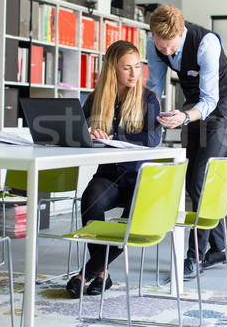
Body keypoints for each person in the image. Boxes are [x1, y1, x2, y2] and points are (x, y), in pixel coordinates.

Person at [146, 5, 227, 280]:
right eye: (161, 48)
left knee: (202, 179)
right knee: (192, 182)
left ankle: (194, 256)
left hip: (219, 105)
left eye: (170, 47)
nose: (166, 53)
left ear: (180, 32)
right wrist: (147, 114)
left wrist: (185, 117)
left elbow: (209, 100)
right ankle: (222, 248)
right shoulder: (155, 42)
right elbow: (155, 84)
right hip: (191, 104)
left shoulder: (206, 44)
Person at [66, 40, 162, 298]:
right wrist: (90, 133)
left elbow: (153, 139)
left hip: (139, 178)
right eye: (126, 68)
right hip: (108, 176)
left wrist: (114, 138)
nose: (134, 74)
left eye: (137, 67)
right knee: (90, 201)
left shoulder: (148, 99)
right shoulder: (96, 99)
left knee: (128, 225)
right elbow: (77, 133)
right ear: (112, 69)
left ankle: (85, 274)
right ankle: (102, 275)